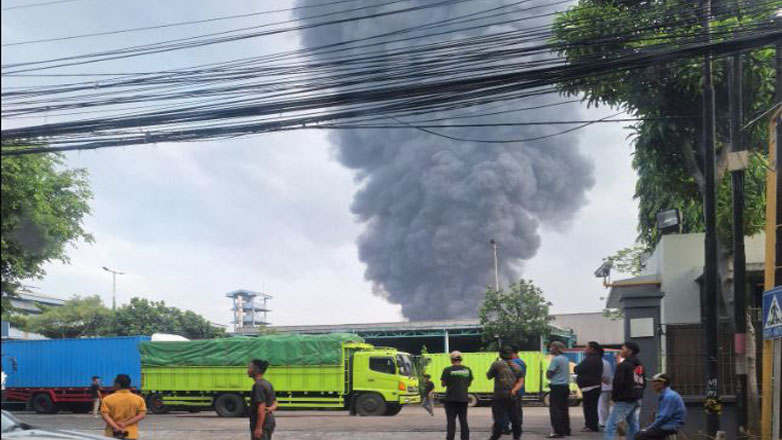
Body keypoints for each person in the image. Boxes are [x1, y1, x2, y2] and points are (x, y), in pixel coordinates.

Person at [603, 341, 645, 440]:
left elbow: (618, 383)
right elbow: (643, 383)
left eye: (623, 349)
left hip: (624, 399)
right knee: (633, 424)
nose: (621, 351)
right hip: (636, 398)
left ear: (629, 351)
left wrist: (614, 396)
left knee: (610, 425)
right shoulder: (639, 365)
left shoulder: (624, 365)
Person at [487, 346, 524, 440]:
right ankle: (517, 437)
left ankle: (495, 437)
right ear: (512, 355)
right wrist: (514, 390)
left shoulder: (496, 364)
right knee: (515, 418)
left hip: (499, 396)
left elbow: (488, 376)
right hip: (512, 396)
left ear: (500, 354)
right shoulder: (518, 367)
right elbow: (520, 382)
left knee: (498, 418)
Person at [634, 373, 685, 440]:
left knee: (640, 436)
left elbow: (664, 417)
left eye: (655, 382)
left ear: (662, 383)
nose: (652, 385)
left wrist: (650, 428)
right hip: (667, 425)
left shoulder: (669, 396)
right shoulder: (666, 395)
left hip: (669, 426)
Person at [100, 374, 146, 440]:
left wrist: (116, 427)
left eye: (114, 383)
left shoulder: (107, 399)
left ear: (118, 384)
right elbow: (142, 415)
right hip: (131, 434)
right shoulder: (139, 399)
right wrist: (125, 423)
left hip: (112, 434)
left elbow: (105, 416)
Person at [440, 350, 473, 440]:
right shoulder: (467, 370)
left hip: (450, 399)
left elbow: (443, 384)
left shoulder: (447, 370)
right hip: (463, 399)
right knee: (463, 420)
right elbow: (469, 384)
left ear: (451, 360)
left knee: (451, 422)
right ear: (461, 359)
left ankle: (450, 438)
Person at [575, 341, 604, 432]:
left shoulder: (591, 359)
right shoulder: (596, 358)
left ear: (592, 349)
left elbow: (578, 368)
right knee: (592, 407)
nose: (585, 349)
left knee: (589, 408)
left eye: (586, 347)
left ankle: (591, 426)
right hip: (593, 386)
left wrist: (576, 369)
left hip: (590, 387)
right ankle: (592, 425)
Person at [546, 341, 571, 438]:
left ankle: (558, 431)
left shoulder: (555, 360)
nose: (550, 349)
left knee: (555, 410)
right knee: (564, 410)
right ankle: (566, 430)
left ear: (556, 348)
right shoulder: (565, 359)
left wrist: (547, 373)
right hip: (565, 386)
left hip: (557, 387)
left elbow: (549, 374)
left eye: (551, 347)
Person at [248, 359, 277, 440]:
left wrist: (258, 428)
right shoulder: (267, 383)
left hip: (262, 423)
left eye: (249, 368)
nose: (247, 370)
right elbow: (275, 403)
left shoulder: (258, 386)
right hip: (269, 421)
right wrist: (269, 409)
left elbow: (261, 408)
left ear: (256, 370)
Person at [500, 349, 527, 435]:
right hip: (520, 389)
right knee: (517, 410)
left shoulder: (511, 363)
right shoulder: (522, 362)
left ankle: (505, 428)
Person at [598, 355, 614, 429]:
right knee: (606, 405)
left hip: (602, 387)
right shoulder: (607, 362)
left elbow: (601, 376)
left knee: (601, 406)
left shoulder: (599, 363)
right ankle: (606, 421)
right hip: (608, 387)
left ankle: (603, 422)